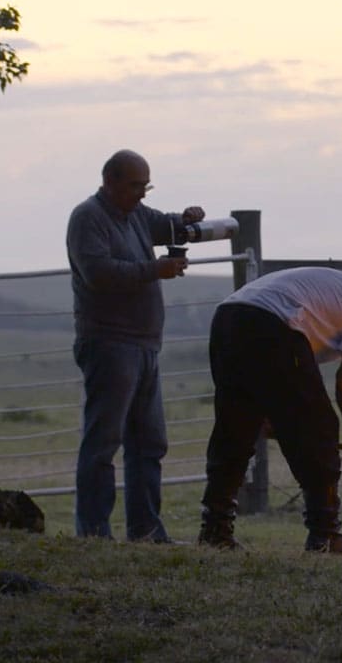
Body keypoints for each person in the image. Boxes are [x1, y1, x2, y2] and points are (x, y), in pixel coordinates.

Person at [197, 256, 342, 555]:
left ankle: (215, 530)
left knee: (237, 427)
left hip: (229, 316)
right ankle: (325, 536)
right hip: (271, 323)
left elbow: (289, 376)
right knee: (321, 430)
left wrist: (273, 412)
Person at [66, 149, 204, 541]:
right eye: (135, 187)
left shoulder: (136, 214)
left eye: (146, 187)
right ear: (110, 182)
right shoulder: (88, 218)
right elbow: (98, 274)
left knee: (148, 441)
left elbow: (164, 224)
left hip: (144, 344)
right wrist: (153, 270)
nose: (142, 195)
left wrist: (185, 219)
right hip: (109, 342)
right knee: (104, 441)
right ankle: (93, 531)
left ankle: (145, 529)